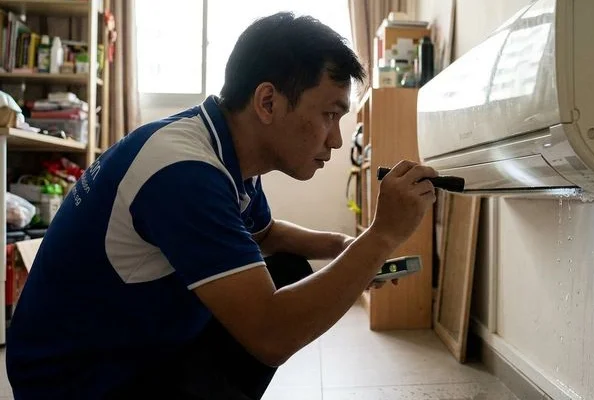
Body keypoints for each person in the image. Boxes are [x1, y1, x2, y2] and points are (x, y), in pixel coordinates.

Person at [6, 12, 438, 399]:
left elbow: (266, 234)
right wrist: (381, 238)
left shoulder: (221, 147)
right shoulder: (183, 172)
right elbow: (271, 335)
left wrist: (347, 248)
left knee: (286, 266)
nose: (336, 139)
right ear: (267, 101)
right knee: (269, 316)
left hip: (124, 342)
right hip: (75, 380)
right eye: (329, 115)